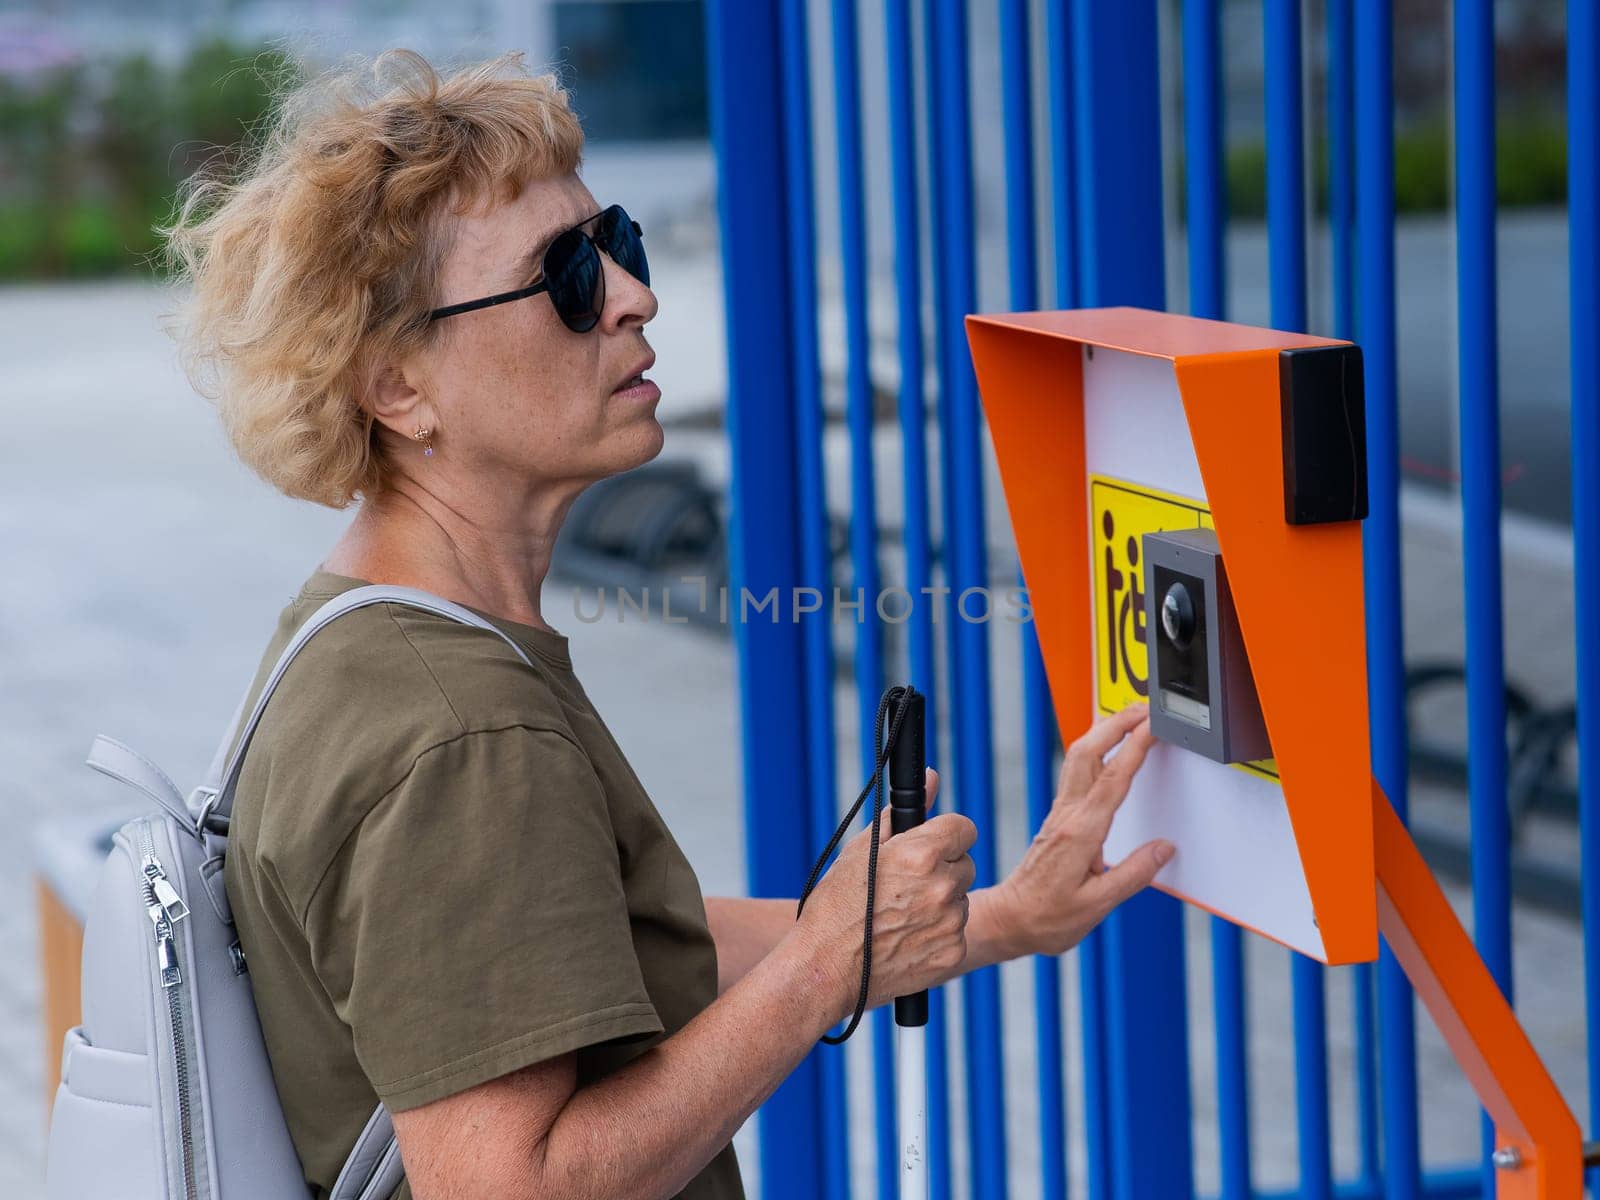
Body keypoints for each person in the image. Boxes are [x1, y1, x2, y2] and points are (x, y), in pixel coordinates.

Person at [164, 49, 1174, 1200]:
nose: (635, 295)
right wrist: (821, 965)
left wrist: (1003, 919)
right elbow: (512, 1187)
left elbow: (587, 947)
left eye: (618, 245)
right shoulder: (462, 736)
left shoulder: (360, 634)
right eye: (566, 278)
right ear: (396, 387)